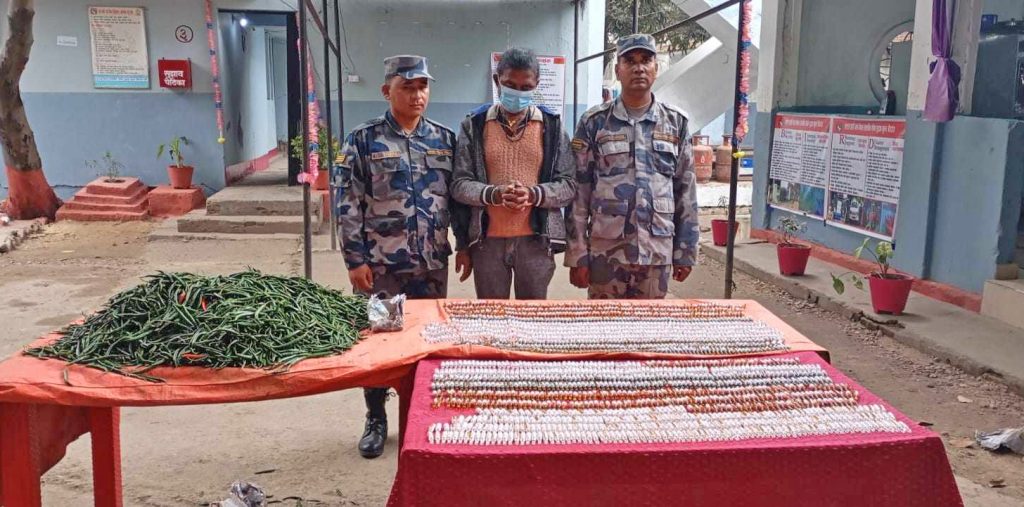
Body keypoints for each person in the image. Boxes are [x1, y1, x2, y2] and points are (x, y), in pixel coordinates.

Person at [334, 55, 459, 459]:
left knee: (428, 342)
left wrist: (465, 246)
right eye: (408, 87)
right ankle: (376, 418)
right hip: (382, 266)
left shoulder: (443, 138)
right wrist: (355, 260)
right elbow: (347, 204)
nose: (417, 95)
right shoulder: (362, 139)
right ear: (387, 90)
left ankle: (420, 417)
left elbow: (456, 201)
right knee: (380, 345)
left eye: (423, 86)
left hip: (431, 263)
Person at [565, 34, 699, 299]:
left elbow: (686, 191)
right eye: (630, 61)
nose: (639, 68)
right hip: (606, 253)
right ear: (618, 70)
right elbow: (579, 192)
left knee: (649, 324)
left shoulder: (676, 123)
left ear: (656, 68)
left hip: (656, 251)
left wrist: (686, 251)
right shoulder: (594, 122)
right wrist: (577, 254)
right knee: (604, 324)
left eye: (646, 60)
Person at [450, 47, 576, 299]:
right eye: (509, 85)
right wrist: (494, 194)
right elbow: (459, 184)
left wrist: (533, 194)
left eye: (525, 87)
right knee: (492, 314)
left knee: (531, 316)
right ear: (497, 80)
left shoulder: (552, 126)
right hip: (487, 244)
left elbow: (569, 185)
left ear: (536, 84)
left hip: (536, 243)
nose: (517, 93)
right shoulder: (474, 125)